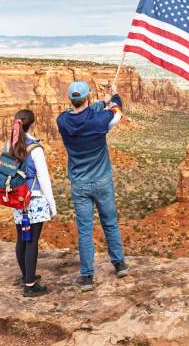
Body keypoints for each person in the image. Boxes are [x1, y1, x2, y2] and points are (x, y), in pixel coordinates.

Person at [56, 81, 127, 290]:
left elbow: (80, 114)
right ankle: (119, 264)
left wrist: (100, 102)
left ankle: (87, 277)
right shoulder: (100, 122)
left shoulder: (63, 121)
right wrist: (113, 96)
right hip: (102, 181)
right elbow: (117, 112)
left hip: (80, 184)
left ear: (71, 100)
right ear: (87, 98)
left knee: (85, 230)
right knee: (110, 223)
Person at [8, 109, 57, 297]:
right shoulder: (35, 148)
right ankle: (30, 285)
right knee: (32, 242)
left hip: (17, 200)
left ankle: (26, 275)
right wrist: (52, 205)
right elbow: (44, 179)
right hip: (34, 200)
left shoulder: (10, 145)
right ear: (32, 125)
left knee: (22, 238)